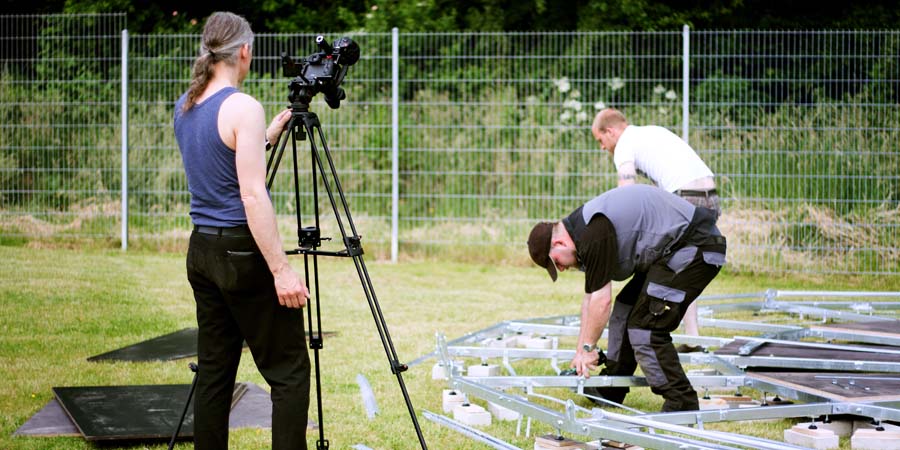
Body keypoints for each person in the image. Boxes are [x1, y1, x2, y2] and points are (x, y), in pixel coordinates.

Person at [174, 12, 310, 450]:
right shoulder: (243, 106)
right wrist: (282, 271)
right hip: (240, 254)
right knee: (288, 371)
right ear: (244, 51)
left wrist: (265, 137)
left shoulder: (187, 105)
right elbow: (252, 195)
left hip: (202, 252)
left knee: (215, 373)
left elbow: (221, 164)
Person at [527, 184, 726, 412]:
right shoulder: (582, 232)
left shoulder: (593, 235)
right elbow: (590, 299)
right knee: (625, 310)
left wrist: (589, 347)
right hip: (669, 250)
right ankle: (611, 389)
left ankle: (681, 401)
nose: (561, 269)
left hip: (695, 245)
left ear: (559, 244)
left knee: (646, 326)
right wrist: (582, 351)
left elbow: (602, 302)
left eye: (557, 263)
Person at [591, 108, 720, 351]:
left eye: (601, 140)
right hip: (711, 196)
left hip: (686, 197)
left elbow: (626, 191)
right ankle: (693, 337)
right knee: (687, 264)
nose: (602, 147)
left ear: (610, 131)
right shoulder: (650, 132)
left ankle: (650, 330)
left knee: (662, 265)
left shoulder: (624, 146)